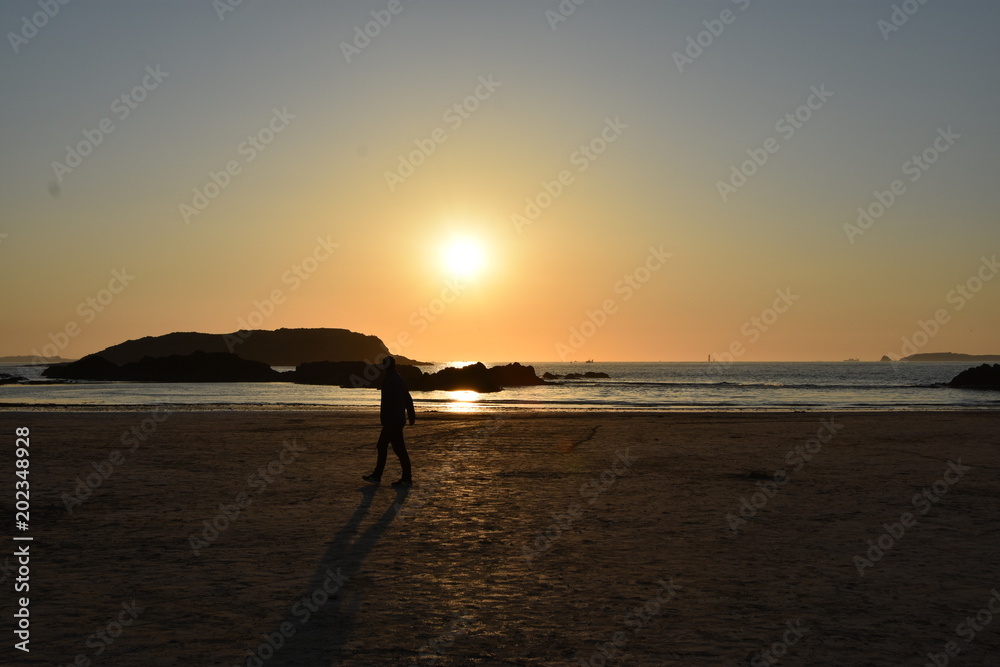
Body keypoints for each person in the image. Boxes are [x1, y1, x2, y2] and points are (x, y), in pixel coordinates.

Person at [363, 355, 415, 487]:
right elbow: (408, 398)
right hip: (397, 419)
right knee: (391, 447)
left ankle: (402, 478)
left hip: (392, 420)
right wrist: (411, 415)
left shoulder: (389, 379)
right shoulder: (399, 379)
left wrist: (386, 419)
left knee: (393, 448)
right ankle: (380, 475)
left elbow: (388, 402)